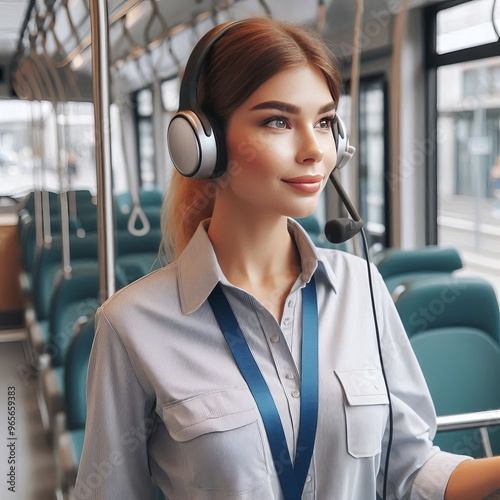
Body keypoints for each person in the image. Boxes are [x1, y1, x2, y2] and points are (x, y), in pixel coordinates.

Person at [74, 17, 500, 500]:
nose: (314, 150)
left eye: (323, 122)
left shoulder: (363, 288)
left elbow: (409, 469)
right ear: (202, 145)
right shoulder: (131, 327)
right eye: (277, 121)